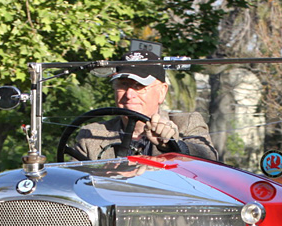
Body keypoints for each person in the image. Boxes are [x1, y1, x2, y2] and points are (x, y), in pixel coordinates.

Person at [71, 50, 218, 161]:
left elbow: (209, 159)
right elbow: (74, 181)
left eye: (139, 86)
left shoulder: (186, 123)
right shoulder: (92, 134)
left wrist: (173, 145)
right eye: (123, 85)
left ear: (162, 91)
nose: (129, 94)